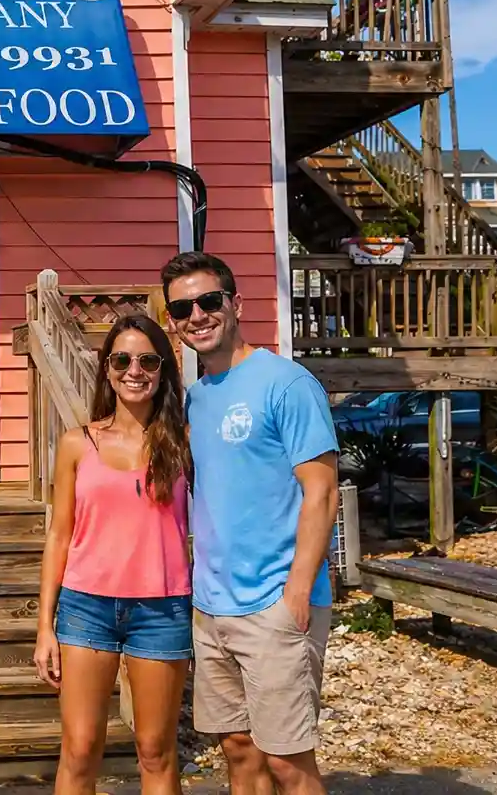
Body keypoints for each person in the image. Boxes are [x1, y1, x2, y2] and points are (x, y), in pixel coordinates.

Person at [160, 251, 340, 795]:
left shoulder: (286, 383)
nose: (198, 315)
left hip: (274, 604)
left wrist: (298, 592)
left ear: (236, 304)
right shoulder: (195, 399)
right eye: (183, 308)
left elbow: (323, 491)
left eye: (209, 301)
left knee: (288, 760)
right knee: (238, 751)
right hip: (212, 606)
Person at [34, 314, 193, 795]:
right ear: (106, 368)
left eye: (147, 360)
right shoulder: (76, 443)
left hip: (162, 610)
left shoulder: (184, 442)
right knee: (80, 749)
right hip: (86, 608)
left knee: (155, 751)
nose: (134, 370)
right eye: (122, 359)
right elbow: (59, 536)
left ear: (163, 369)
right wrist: (44, 626)